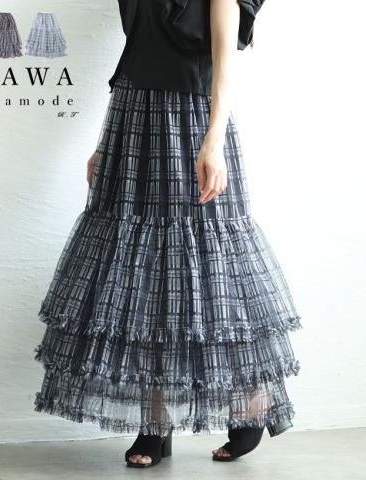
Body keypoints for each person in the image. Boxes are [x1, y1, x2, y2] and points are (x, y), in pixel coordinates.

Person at [33, 0, 303, 469]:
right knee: (142, 279)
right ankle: (154, 417)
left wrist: (213, 140)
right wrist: (105, 141)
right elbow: (138, 52)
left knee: (212, 269)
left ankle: (251, 401)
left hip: (191, 121)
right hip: (133, 120)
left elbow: (223, 62)